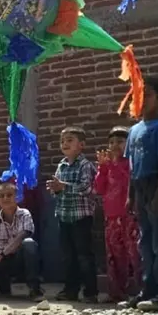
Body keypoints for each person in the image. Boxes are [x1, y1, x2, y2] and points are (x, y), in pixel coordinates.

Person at [124, 76, 158, 312]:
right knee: (145, 242)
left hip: (155, 186)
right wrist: (130, 194)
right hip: (139, 187)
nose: (142, 98)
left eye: (147, 94)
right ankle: (149, 289)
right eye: (137, 93)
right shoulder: (134, 129)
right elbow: (131, 165)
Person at [47, 127, 98, 303]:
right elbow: (58, 190)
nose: (65, 143)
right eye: (62, 141)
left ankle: (91, 292)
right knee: (68, 256)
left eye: (70, 140)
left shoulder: (86, 165)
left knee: (84, 255)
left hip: (81, 217)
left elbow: (88, 188)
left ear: (81, 145)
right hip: (64, 216)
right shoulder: (61, 165)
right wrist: (55, 189)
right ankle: (71, 290)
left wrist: (64, 186)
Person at [94, 127, 142, 303]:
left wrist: (114, 165)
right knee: (114, 255)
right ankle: (116, 291)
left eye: (120, 142)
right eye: (112, 142)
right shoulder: (107, 166)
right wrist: (103, 168)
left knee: (135, 253)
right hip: (112, 217)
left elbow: (131, 181)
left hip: (130, 216)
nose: (115, 146)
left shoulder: (131, 163)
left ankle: (140, 291)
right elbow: (99, 188)